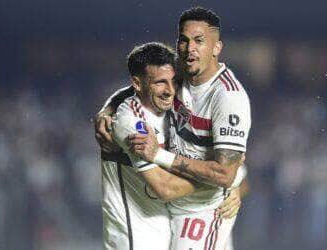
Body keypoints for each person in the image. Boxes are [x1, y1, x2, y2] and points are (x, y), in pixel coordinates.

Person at [97, 7, 251, 249]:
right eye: (184, 40)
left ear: (216, 48)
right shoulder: (178, 75)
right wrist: (107, 109)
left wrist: (229, 184)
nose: (190, 48)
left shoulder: (227, 97)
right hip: (168, 208)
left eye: (199, 41)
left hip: (201, 211)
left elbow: (225, 173)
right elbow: (139, 87)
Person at [102, 42, 208, 250]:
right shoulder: (131, 121)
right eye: (160, 82)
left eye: (173, 81)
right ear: (138, 83)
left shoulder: (173, 106)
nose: (170, 90)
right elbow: (165, 188)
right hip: (135, 237)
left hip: (169, 231)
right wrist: (217, 181)